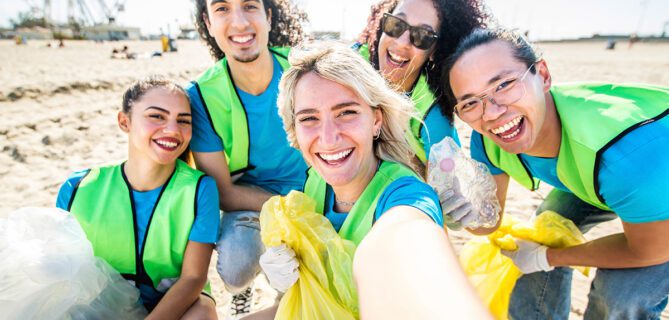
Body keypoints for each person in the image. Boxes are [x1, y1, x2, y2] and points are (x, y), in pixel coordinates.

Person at [443, 28, 669, 319]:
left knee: (620, 295)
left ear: (544, 76)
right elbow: (489, 220)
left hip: (649, 175)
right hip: (603, 177)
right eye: (471, 102)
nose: (491, 113)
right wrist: (465, 213)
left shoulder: (629, 155)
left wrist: (548, 258)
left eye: (504, 85)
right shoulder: (487, 139)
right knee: (544, 229)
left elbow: (649, 251)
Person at [253, 42, 489, 319]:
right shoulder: (314, 180)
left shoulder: (405, 194)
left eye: (346, 112)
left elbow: (408, 232)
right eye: (309, 118)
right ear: (294, 129)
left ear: (376, 120)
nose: (328, 138)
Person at [56, 77, 219, 319]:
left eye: (183, 121)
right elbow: (62, 274)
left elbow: (193, 278)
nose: (173, 130)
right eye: (157, 116)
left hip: (171, 307)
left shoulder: (200, 189)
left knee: (203, 312)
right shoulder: (79, 187)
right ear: (124, 121)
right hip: (100, 306)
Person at [188, 0, 307, 316]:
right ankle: (244, 293)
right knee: (236, 266)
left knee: (301, 288)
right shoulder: (201, 96)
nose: (239, 23)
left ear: (269, 17)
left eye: (250, 6)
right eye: (223, 9)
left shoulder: (303, 70)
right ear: (209, 23)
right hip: (249, 202)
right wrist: (283, 208)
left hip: (317, 196)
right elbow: (223, 192)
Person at [355, 0, 488, 166]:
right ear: (383, 23)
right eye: (396, 24)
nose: (402, 42)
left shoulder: (432, 116)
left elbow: (447, 186)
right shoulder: (352, 64)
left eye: (422, 36)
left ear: (435, 51)